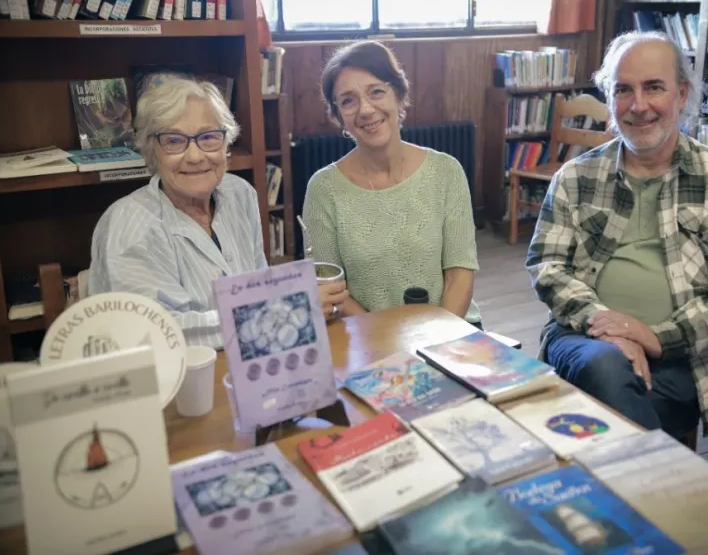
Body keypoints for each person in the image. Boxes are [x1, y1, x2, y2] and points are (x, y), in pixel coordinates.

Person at [526, 31, 708, 440]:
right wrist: (609, 328)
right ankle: (667, 486)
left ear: (681, 94)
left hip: (686, 353)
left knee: (637, 406)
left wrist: (655, 337)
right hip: (582, 335)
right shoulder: (575, 176)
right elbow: (546, 266)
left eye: (653, 87)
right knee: (607, 369)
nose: (638, 105)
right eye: (623, 90)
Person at [88, 76, 349, 348]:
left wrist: (291, 299)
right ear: (152, 150)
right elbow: (158, 331)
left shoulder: (239, 194)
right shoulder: (128, 225)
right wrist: (286, 310)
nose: (195, 156)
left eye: (209, 137)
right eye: (174, 140)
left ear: (226, 144)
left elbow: (258, 289)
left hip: (250, 363)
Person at [301, 40, 481, 327]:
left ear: (398, 95)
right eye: (348, 101)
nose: (366, 110)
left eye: (376, 92)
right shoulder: (323, 189)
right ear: (338, 118)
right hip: (369, 339)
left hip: (450, 333)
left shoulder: (446, 171)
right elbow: (333, 290)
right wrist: (389, 342)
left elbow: (459, 273)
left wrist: (437, 340)